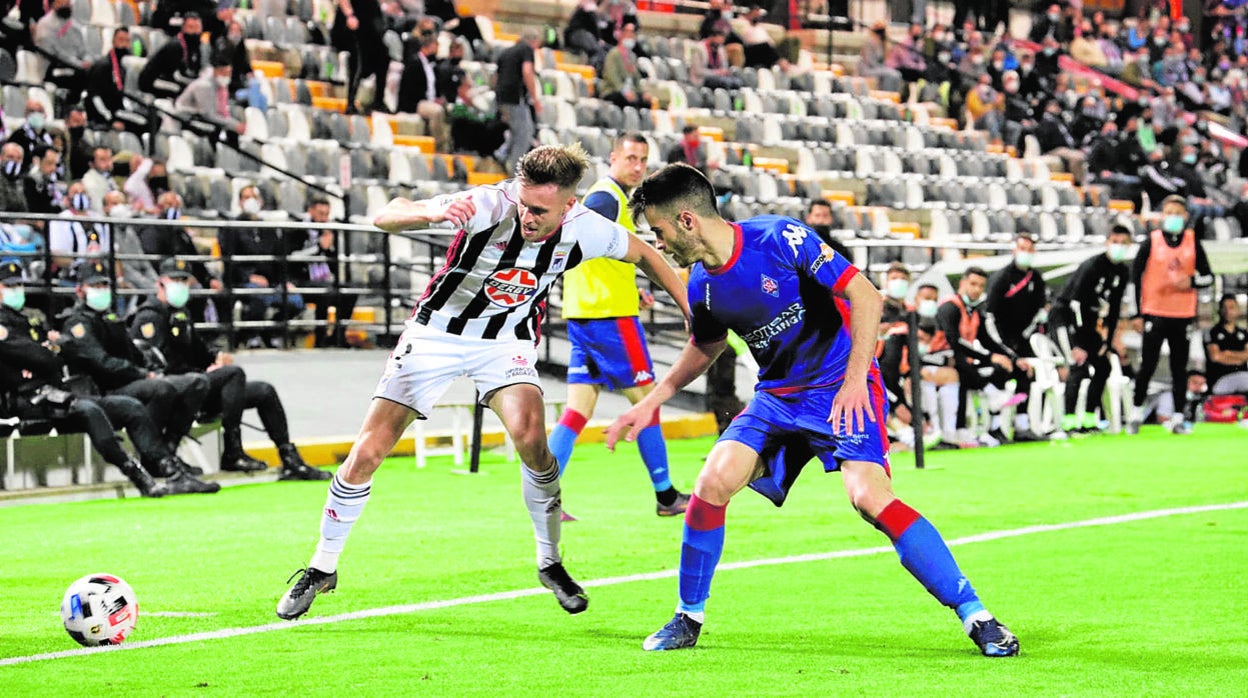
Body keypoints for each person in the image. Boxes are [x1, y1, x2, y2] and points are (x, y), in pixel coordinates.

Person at [606, 163, 1017, 656]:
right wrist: (652, 400)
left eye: (660, 231)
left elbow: (865, 294)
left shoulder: (780, 237)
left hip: (842, 384)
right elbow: (705, 346)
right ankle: (686, 617)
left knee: (868, 497)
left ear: (688, 220)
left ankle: (978, 616)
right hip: (777, 396)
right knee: (712, 481)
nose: (661, 244)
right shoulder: (700, 285)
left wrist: (852, 383)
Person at [275, 144, 691, 621]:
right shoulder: (491, 204)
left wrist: (690, 311)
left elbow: (645, 255)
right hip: (436, 334)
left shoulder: (587, 228)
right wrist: (429, 212)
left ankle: (550, 561)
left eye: (541, 211)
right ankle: (322, 567)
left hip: (505, 342)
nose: (529, 216)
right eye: (525, 204)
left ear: (569, 206)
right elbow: (389, 214)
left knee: (534, 441)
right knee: (368, 452)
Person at [549, 134, 689, 518]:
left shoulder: (610, 196)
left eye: (643, 159)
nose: (638, 166)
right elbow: (580, 229)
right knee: (648, 405)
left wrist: (631, 290)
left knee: (577, 411)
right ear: (613, 158)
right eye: (631, 158)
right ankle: (666, 496)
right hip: (609, 319)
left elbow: (601, 253)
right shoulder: (606, 197)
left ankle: (546, 497)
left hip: (583, 314)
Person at [130, 258, 329, 479]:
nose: (181, 285)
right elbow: (156, 365)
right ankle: (232, 450)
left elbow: (200, 351)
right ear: (160, 283)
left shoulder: (181, 313)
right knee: (233, 374)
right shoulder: (149, 317)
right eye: (175, 280)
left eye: (184, 280)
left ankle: (289, 456)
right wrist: (203, 374)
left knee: (264, 391)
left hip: (199, 386)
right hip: (176, 391)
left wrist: (217, 357)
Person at [58, 261, 211, 462]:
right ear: (80, 291)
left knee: (194, 383)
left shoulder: (111, 319)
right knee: (161, 388)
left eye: (104, 285)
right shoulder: (77, 324)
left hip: (128, 382)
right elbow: (102, 362)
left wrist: (150, 368)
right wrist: (142, 374)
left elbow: (134, 352)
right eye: (95, 286)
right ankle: (154, 457)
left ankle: (166, 450)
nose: (101, 290)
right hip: (102, 392)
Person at [1128, 195, 1213, 435]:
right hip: (1155, 311)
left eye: (1178, 213)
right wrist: (1137, 312)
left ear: (1185, 216)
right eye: (1169, 212)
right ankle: (1135, 414)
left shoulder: (1192, 242)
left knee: (1179, 368)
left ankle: (1177, 417)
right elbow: (1135, 278)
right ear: (1162, 215)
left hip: (1183, 313)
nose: (1173, 217)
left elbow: (1209, 277)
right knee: (1148, 364)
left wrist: (1192, 281)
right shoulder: (1151, 242)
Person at [1053, 226, 1131, 434]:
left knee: (1103, 366)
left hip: (1088, 321)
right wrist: (1077, 343)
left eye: (1124, 243)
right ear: (1107, 242)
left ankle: (1089, 418)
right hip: (1066, 318)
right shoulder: (1092, 266)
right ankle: (1069, 421)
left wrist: (1107, 342)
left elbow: (1113, 309)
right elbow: (1075, 304)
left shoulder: (1122, 272)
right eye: (1116, 241)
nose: (1119, 246)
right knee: (1078, 364)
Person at [935, 267, 1025, 447]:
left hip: (965, 363)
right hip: (941, 359)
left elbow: (988, 341)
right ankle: (990, 395)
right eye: (973, 284)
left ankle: (996, 425)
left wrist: (1013, 359)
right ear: (962, 283)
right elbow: (955, 342)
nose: (977, 289)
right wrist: (990, 357)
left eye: (981, 286)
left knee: (1006, 368)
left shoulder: (975, 311)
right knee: (960, 360)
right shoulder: (949, 307)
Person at [981, 233, 1046, 441]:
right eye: (1022, 248)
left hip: (1022, 339)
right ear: (1014, 249)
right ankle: (995, 426)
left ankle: (1021, 425)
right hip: (1000, 340)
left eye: (1029, 249)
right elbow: (989, 315)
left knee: (1027, 374)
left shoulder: (1036, 278)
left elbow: (1039, 311)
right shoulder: (1001, 278)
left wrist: (1025, 338)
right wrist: (1004, 349)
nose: (1025, 253)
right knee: (1001, 372)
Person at [291, 197, 358, 348]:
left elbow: (332, 262)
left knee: (350, 291)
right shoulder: (296, 229)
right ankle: (320, 340)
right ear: (310, 210)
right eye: (320, 213)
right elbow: (292, 258)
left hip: (324, 279)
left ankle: (337, 337)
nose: (324, 218)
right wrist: (319, 247)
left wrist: (329, 248)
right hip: (301, 280)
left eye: (326, 214)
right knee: (324, 292)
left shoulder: (328, 230)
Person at [494, 29, 542, 174]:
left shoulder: (505, 52)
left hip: (501, 98)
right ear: (533, 42)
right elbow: (527, 72)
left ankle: (501, 154)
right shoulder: (526, 50)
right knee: (525, 135)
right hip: (515, 98)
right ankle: (513, 171)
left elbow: (495, 78)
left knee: (516, 131)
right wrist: (535, 99)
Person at [330, 0, 388, 114]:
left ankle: (378, 101)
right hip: (351, 22)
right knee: (357, 57)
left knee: (383, 56)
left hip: (368, 22)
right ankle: (350, 102)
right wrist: (349, 15)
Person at [138, 13, 206, 100]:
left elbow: (196, 70)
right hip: (155, 80)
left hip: (173, 78)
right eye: (191, 27)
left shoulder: (197, 45)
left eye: (198, 27)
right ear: (183, 28)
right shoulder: (175, 46)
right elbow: (174, 75)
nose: (196, 31)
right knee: (185, 91)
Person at [1205, 293, 1248, 397]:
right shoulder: (1212, 332)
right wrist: (1239, 358)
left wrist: (1227, 353)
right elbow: (1215, 357)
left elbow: (1246, 355)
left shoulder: (1243, 333)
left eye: (1232, 308)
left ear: (1238, 310)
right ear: (1219, 310)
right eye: (1225, 308)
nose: (1228, 311)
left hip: (1242, 375)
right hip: (1220, 378)